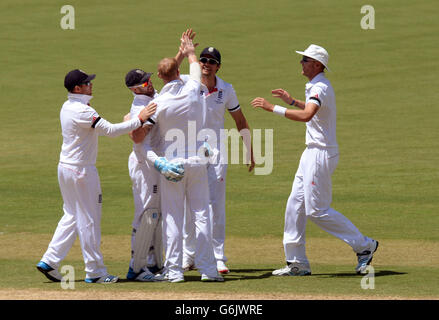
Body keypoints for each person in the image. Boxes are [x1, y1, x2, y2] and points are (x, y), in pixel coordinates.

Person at [251, 44, 378, 276]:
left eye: (305, 60)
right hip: (311, 153)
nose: (301, 63)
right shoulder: (315, 86)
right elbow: (312, 108)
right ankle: (296, 263)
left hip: (320, 153)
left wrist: (273, 108)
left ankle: (365, 246)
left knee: (316, 210)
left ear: (317, 65)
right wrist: (292, 101)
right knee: (294, 205)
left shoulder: (320, 86)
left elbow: (308, 115)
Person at [36, 69, 156, 284]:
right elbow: (110, 130)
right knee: (89, 220)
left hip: (66, 168)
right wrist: (139, 119)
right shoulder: (83, 111)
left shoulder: (68, 106)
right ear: (77, 88)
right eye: (87, 83)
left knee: (72, 215)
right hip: (81, 171)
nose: (91, 85)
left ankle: (50, 260)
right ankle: (95, 271)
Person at [134, 31, 223, 283]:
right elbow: (194, 67)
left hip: (172, 166)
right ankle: (208, 270)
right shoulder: (195, 88)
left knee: (173, 218)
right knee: (202, 215)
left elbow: (140, 138)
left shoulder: (159, 102)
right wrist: (188, 51)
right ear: (178, 72)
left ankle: (174, 272)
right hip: (197, 162)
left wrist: (156, 160)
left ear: (159, 77)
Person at [182, 46, 255, 275]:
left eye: (211, 61)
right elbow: (166, 70)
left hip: (215, 152)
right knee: (188, 204)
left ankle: (217, 257)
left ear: (218, 66)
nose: (206, 63)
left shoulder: (226, 89)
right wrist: (183, 52)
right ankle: (188, 255)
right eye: (202, 59)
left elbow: (240, 121)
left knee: (215, 205)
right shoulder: (189, 83)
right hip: (190, 150)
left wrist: (249, 150)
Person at [123, 69, 165, 282]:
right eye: (145, 82)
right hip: (145, 165)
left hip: (154, 163)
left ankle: (153, 263)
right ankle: (136, 268)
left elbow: (170, 73)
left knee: (156, 214)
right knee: (147, 214)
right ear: (135, 89)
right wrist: (140, 119)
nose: (150, 83)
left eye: (149, 79)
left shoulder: (152, 96)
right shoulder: (142, 105)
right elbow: (136, 137)